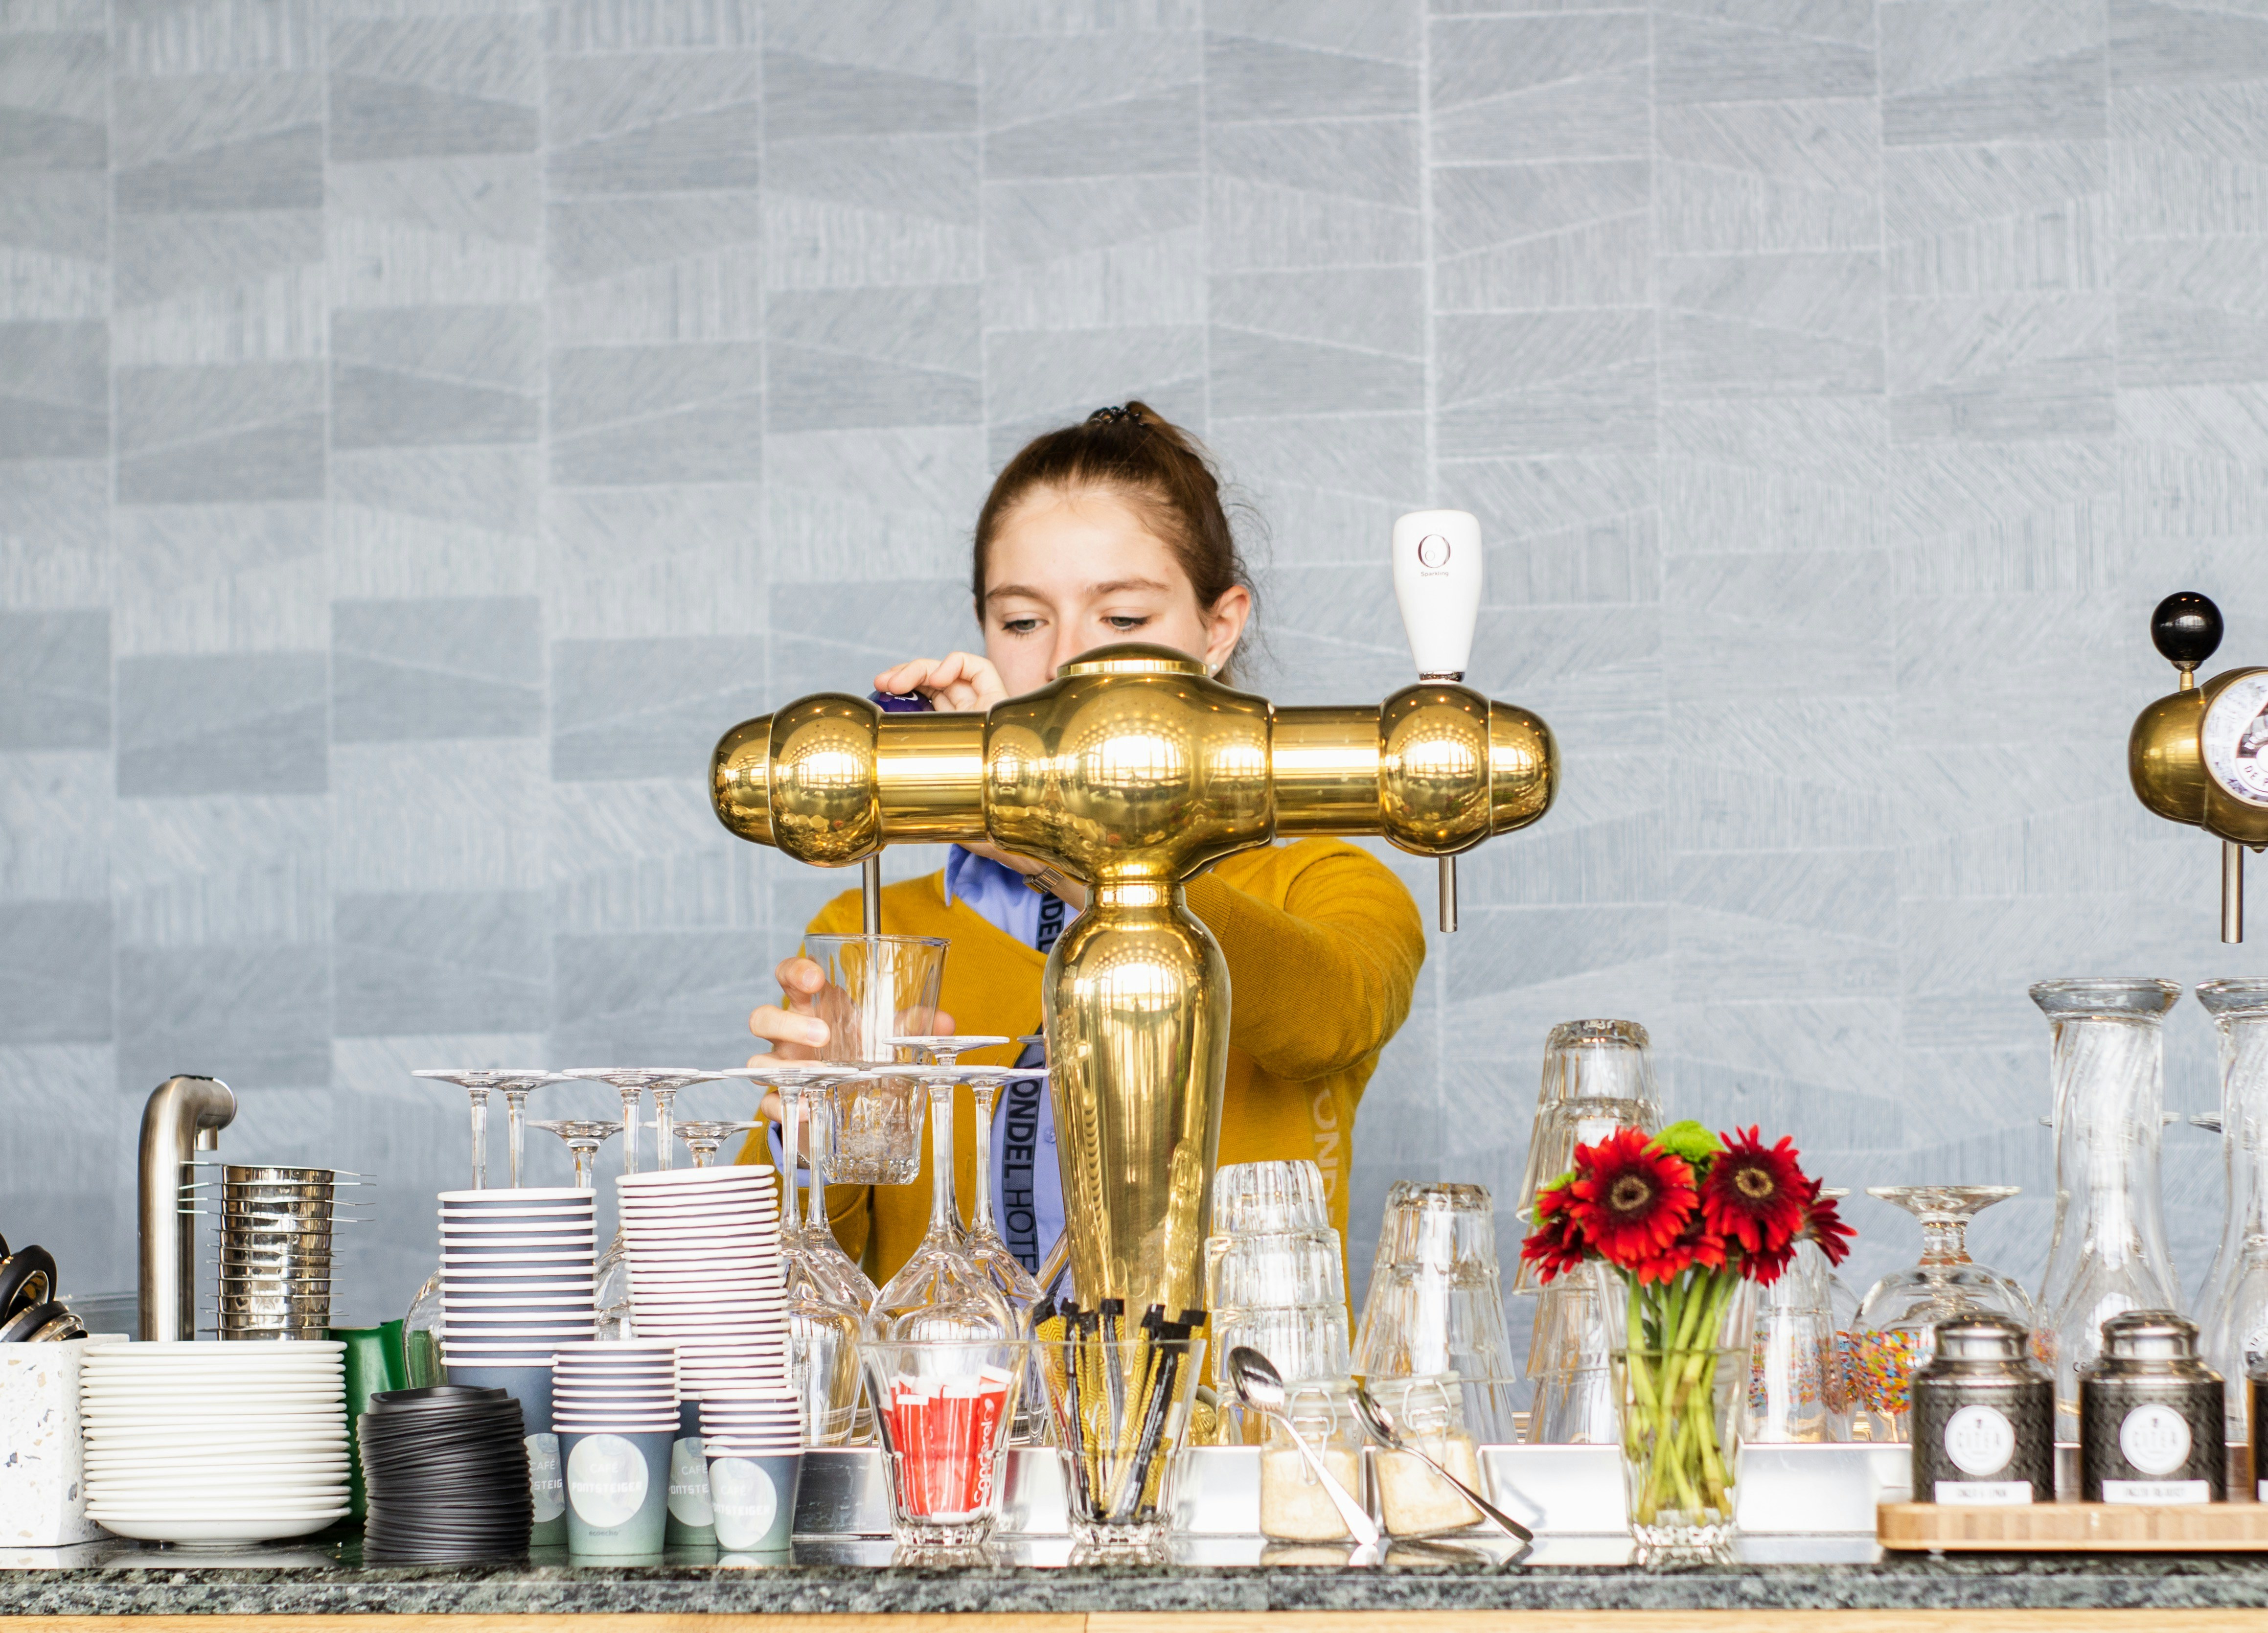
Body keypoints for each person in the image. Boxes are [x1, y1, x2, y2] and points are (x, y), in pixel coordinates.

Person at [742, 403, 1425, 1288]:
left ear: (1219, 629)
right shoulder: (876, 928)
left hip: (1242, 1422)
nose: (1066, 664)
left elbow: (1324, 1017)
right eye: (1023, 623)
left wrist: (1050, 832)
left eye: (1124, 618)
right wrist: (815, 1140)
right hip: (969, 1422)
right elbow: (778, 1282)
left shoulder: (1323, 882)